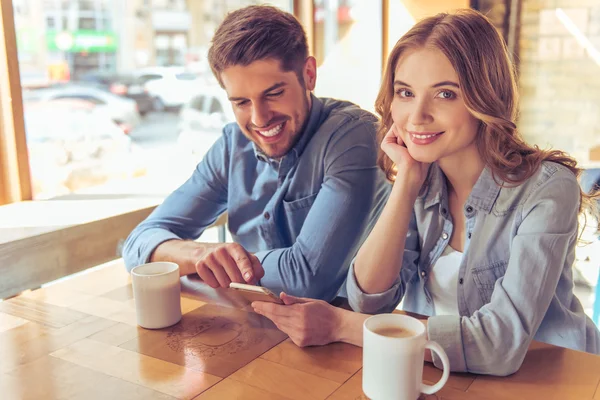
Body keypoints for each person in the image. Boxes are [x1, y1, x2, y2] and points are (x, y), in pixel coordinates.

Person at [252, 9, 600, 376]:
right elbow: (370, 300)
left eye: (445, 94)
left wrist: (340, 326)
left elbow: (500, 344)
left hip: (559, 380)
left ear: (486, 97)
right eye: (405, 92)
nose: (417, 116)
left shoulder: (546, 190)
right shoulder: (422, 178)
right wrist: (406, 184)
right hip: (445, 377)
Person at [122, 5, 389, 301]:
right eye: (241, 102)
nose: (260, 119)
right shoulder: (232, 146)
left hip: (344, 337)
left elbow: (307, 279)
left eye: (273, 94)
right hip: (251, 327)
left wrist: (222, 267)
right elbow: (137, 244)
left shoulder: (355, 136)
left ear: (309, 74)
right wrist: (203, 255)